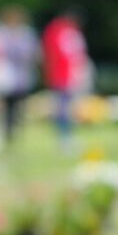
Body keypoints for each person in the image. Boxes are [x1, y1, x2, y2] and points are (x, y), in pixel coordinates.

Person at [0, 6, 40, 142]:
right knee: (5, 105)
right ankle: (5, 130)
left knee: (18, 105)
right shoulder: (0, 33)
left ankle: (14, 129)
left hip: (21, 77)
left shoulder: (26, 34)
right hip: (5, 76)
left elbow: (32, 53)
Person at [42, 10, 92, 151]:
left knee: (69, 109)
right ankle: (64, 138)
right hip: (64, 76)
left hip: (68, 75)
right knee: (64, 109)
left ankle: (67, 136)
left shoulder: (64, 31)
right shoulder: (62, 32)